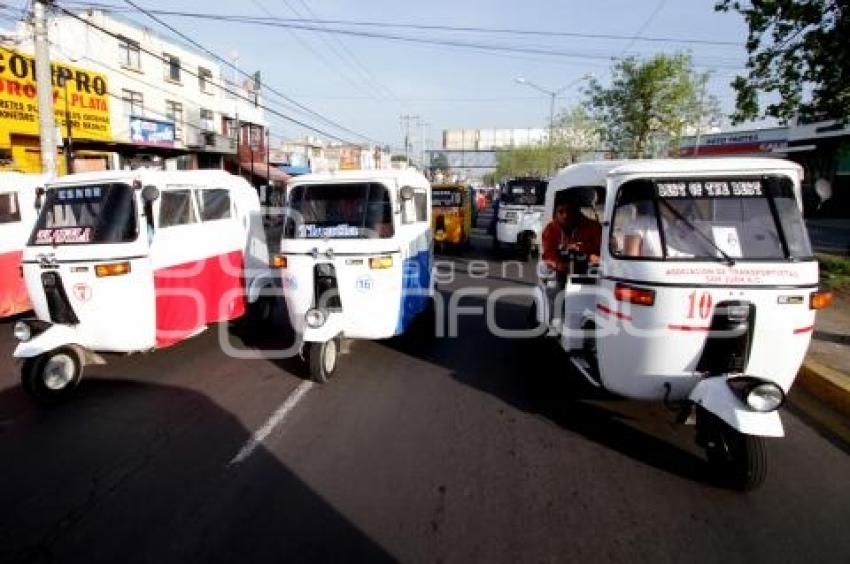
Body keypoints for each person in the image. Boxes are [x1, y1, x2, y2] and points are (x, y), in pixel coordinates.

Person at [541, 200, 602, 276]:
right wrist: (560, 265)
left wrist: (577, 247)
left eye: (569, 211)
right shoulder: (550, 230)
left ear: (576, 211)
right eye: (560, 212)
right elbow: (548, 253)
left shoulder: (594, 227)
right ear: (555, 214)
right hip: (560, 274)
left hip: (590, 272)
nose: (565, 215)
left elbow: (600, 250)